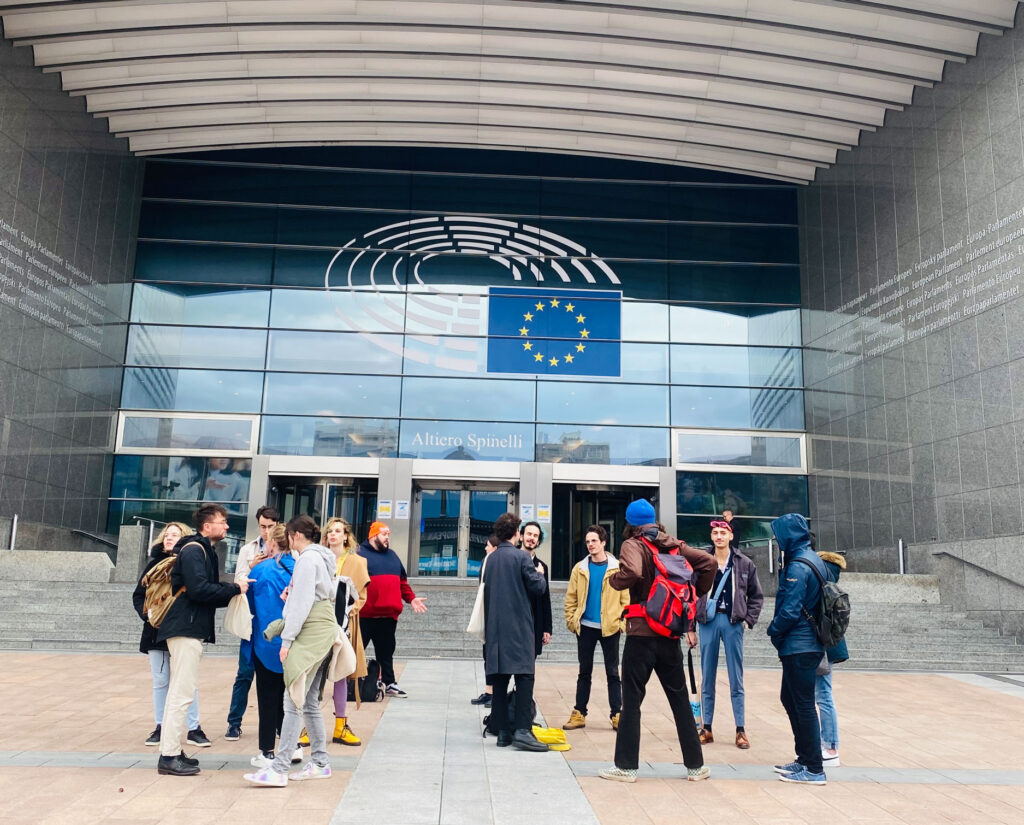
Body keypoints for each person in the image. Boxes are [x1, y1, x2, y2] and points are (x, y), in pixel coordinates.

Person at [599, 499, 716, 783]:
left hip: (641, 633)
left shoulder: (632, 544)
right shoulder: (674, 545)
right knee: (678, 700)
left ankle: (626, 767)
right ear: (654, 520)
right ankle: (696, 767)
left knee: (632, 700)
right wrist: (695, 593)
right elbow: (710, 563)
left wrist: (615, 580)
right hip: (670, 633)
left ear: (630, 522)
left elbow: (634, 572)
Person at [243, 515, 346, 787]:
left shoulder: (307, 560)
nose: (288, 542)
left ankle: (279, 769)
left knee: (294, 700)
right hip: (323, 629)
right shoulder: (323, 557)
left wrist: (287, 641)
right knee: (308, 701)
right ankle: (320, 762)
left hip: (311, 632)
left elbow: (300, 604)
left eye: (288, 536)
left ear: (295, 535)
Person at [157, 504, 247, 776]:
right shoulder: (195, 550)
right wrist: (234, 588)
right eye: (223, 521)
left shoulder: (201, 549)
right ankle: (169, 756)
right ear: (207, 526)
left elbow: (201, 591)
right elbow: (198, 590)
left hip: (189, 628)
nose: (227, 526)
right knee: (181, 694)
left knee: (180, 692)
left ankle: (171, 750)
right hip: (185, 629)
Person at [767, 512, 828, 786]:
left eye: (779, 536)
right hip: (806, 644)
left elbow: (790, 612)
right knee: (790, 699)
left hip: (800, 646)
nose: (777, 542)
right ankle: (804, 758)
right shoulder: (813, 559)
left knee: (802, 704)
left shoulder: (797, 567)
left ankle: (814, 768)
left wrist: (772, 630)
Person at [132, 521, 204, 747]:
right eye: (166, 535)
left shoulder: (189, 562)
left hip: (182, 628)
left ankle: (194, 728)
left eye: (175, 534)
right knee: (161, 681)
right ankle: (160, 725)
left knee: (186, 680)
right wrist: (149, 617)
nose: (169, 538)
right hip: (155, 631)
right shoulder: (153, 565)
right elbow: (139, 596)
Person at [482, 513, 549, 751]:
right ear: (516, 533)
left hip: (495, 629)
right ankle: (523, 730)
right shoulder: (521, 557)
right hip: (518, 629)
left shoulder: (490, 559)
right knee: (524, 677)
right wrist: (539, 574)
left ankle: (502, 732)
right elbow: (538, 588)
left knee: (499, 680)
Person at [695, 519, 763, 749]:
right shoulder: (702, 562)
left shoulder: (744, 563)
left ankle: (740, 729)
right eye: (715, 532)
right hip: (708, 622)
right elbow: (690, 595)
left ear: (731, 536)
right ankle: (707, 727)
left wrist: (748, 619)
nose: (719, 536)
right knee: (707, 676)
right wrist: (689, 628)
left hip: (733, 622)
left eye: (723, 532)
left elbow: (756, 596)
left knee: (736, 678)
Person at [562, 524, 629, 731]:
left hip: (610, 628)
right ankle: (579, 713)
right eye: (588, 541)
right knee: (584, 672)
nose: (590, 545)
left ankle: (617, 714)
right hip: (586, 628)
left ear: (603, 543)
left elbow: (626, 600)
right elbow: (570, 598)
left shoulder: (617, 568)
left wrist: (621, 624)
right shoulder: (580, 568)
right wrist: (572, 620)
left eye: (594, 541)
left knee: (612, 673)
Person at [246, 523, 300, 769]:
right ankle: (293, 745)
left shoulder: (261, 570)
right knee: (290, 698)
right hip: (294, 641)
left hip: (266, 640)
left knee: (267, 697)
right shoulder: (298, 569)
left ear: (271, 542)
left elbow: (252, 606)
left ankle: (267, 750)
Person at [225, 505, 279, 741]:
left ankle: (278, 724)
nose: (266, 532)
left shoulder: (286, 551)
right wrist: (252, 568)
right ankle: (234, 722)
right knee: (245, 672)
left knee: (277, 675)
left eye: (270, 527)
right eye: (262, 526)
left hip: (276, 618)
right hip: (253, 617)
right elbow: (238, 580)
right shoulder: (249, 549)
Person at [357, 521, 427, 698]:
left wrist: (411, 599)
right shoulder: (359, 555)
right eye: (384, 534)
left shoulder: (393, 556)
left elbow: (402, 582)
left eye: (388, 534)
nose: (387, 538)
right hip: (365, 615)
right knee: (355, 652)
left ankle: (390, 684)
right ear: (373, 536)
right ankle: (349, 684)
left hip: (388, 616)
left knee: (386, 652)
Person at [324, 517, 369, 746]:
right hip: (318, 624)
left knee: (340, 674)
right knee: (314, 676)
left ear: (345, 536)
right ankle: (306, 726)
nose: (333, 534)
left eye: (338, 531)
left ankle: (340, 725)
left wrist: (348, 611)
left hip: (343, 625)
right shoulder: (316, 558)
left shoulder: (357, 562)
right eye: (330, 531)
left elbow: (361, 597)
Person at [811, 532, 848, 769]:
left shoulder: (818, 572)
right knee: (821, 695)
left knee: (823, 695)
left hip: (821, 642)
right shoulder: (827, 573)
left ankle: (831, 747)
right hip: (827, 641)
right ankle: (827, 745)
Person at [470, 534, 500, 707]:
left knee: (494, 656)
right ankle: (489, 691)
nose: (485, 548)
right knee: (487, 654)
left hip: (497, 616)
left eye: (488, 545)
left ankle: (496, 693)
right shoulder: (486, 561)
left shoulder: (495, 562)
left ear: (495, 547)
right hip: (487, 614)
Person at [521, 521, 552, 657]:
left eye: (535, 536)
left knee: (528, 670)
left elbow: (546, 599)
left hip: (534, 623)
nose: (531, 538)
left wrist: (547, 628)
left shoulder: (542, 566)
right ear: (521, 536)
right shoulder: (512, 560)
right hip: (514, 623)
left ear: (538, 541)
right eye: (529, 534)